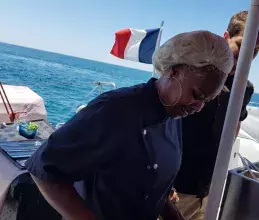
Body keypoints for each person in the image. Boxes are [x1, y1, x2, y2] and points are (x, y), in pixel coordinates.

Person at [25, 30, 234, 220]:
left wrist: (172, 215)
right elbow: (44, 169)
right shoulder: (114, 109)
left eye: (205, 101)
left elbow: (154, 188)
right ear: (175, 70)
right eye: (196, 95)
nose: (198, 107)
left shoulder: (174, 118)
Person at [172, 11, 259, 220]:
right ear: (225, 37)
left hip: (208, 193)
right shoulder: (193, 73)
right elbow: (163, 123)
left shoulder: (245, 89)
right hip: (174, 190)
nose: (247, 56)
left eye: (255, 50)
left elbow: (235, 124)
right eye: (241, 45)